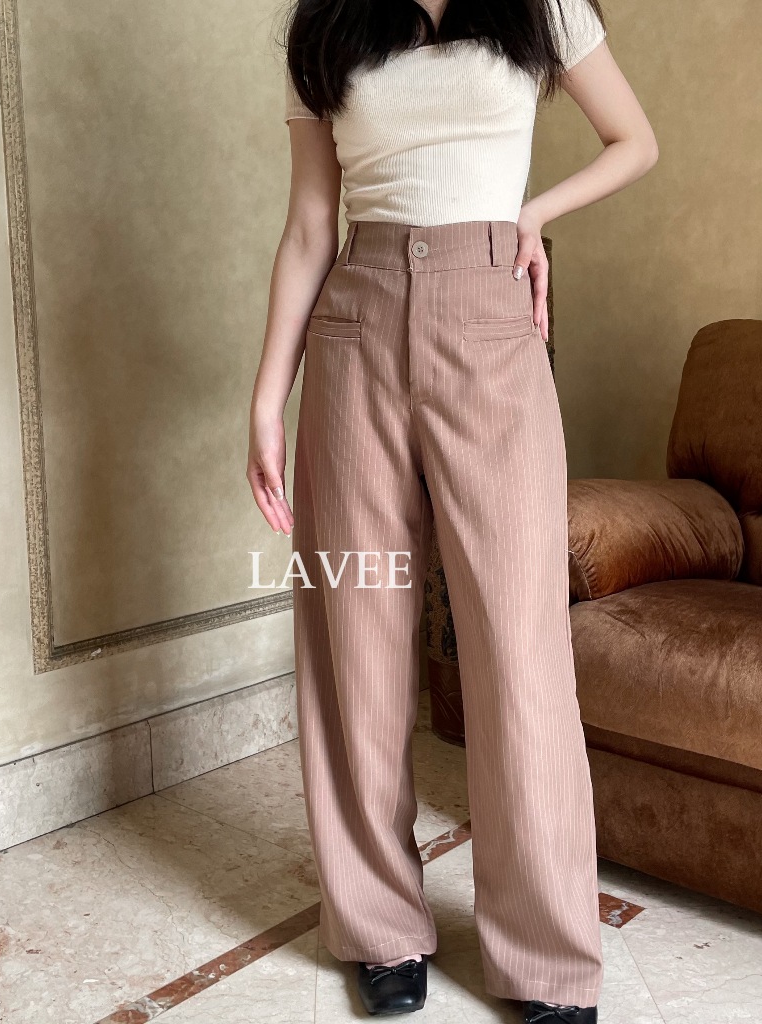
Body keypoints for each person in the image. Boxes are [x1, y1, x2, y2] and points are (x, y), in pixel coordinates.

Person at [248, 1, 657, 1019]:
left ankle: (546, 957)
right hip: (355, 324)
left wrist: (534, 214)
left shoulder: (540, 6)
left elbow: (634, 140)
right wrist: (265, 397)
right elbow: (309, 226)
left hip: (491, 318)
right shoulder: (324, 24)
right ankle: (378, 925)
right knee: (355, 636)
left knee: (521, 646)